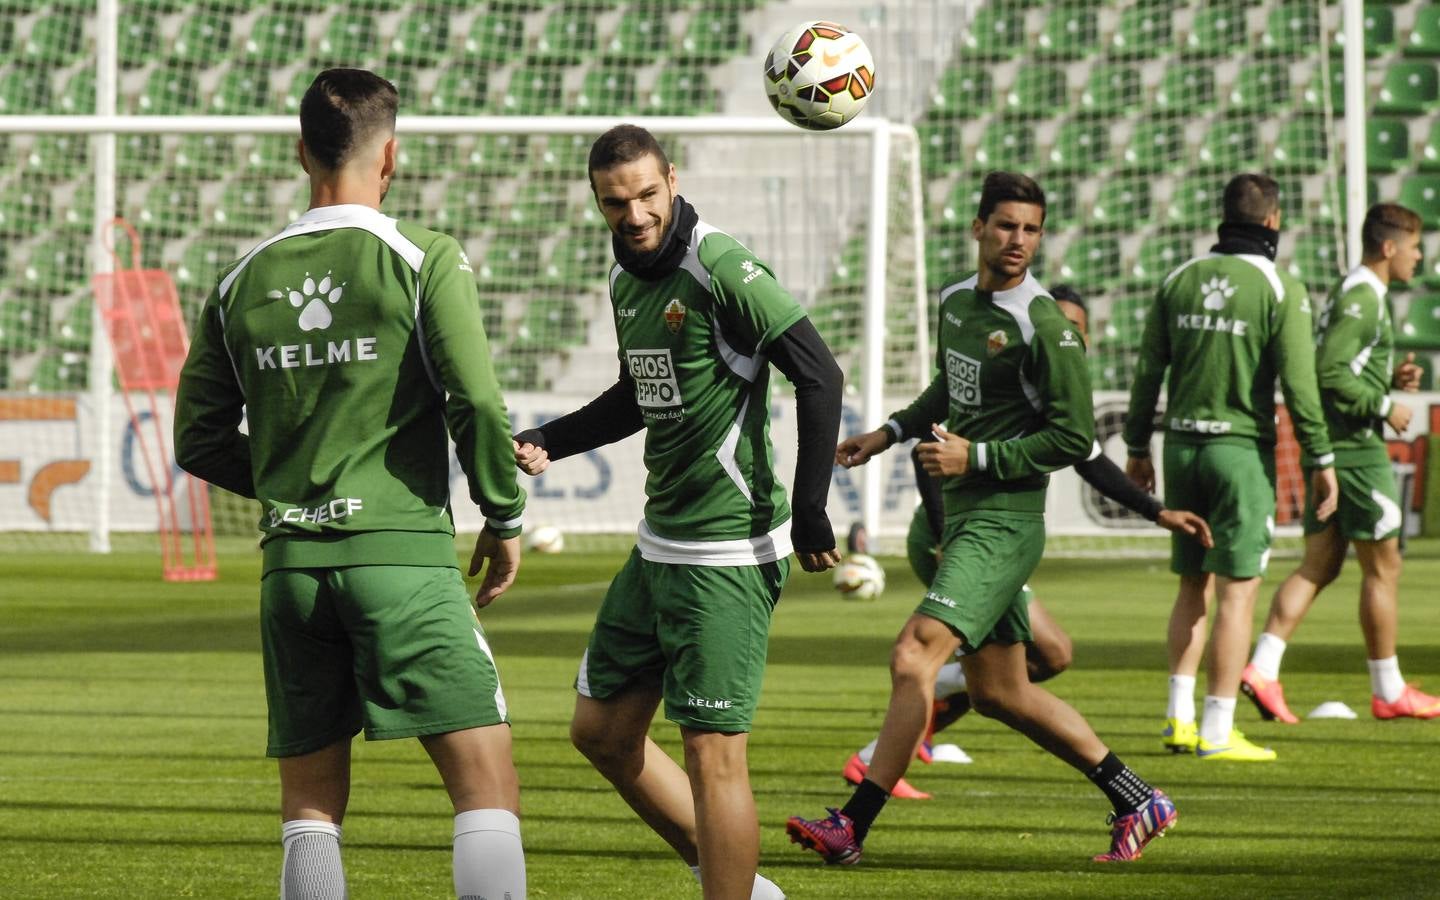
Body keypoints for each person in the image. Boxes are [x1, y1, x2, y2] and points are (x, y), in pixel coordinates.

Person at [173, 69, 528, 899]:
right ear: (391, 155)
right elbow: (473, 396)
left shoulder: (238, 280)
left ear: (301, 152)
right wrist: (502, 513)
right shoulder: (421, 257)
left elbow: (197, 439)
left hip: (291, 571)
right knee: (485, 785)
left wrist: (292, 486)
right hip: (402, 562)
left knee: (309, 804)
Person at [787, 172, 1176, 866]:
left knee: (913, 656)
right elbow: (950, 384)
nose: (1018, 241)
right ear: (977, 228)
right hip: (968, 517)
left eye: (1030, 229)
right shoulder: (956, 302)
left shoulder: (1046, 326)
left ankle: (852, 824)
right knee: (1000, 692)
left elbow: (1071, 438)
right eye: (1005, 226)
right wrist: (890, 432)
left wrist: (979, 456)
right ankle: (1137, 798)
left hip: (1003, 521)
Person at [511, 124, 843, 900]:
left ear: (672, 178)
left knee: (713, 755)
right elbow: (640, 392)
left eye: (647, 195)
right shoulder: (628, 277)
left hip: (726, 552)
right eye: (615, 203)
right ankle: (744, 887)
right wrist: (550, 440)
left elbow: (819, 373)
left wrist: (812, 508)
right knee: (602, 733)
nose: (633, 215)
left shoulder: (720, 266)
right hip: (660, 544)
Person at [841, 286, 1214, 799]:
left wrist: (1158, 511)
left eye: (1078, 327)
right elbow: (931, 443)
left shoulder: (1050, 383)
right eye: (1063, 324)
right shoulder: (1003, 367)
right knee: (920, 657)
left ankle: (1135, 797)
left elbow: (1084, 454)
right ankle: (870, 774)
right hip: (956, 538)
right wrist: (947, 529)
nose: (1071, 336)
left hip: (996, 538)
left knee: (1024, 674)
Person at [1124, 173, 1339, 763]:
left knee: (1192, 584)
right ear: (1273, 221)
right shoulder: (1279, 285)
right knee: (1238, 593)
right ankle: (1219, 729)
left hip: (1182, 449)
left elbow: (1148, 373)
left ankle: (1178, 717)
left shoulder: (1179, 279)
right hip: (1240, 452)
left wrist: (1137, 448)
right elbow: (1298, 385)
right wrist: (1322, 460)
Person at [1242, 203, 1437, 722]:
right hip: (1354, 451)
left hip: (1332, 447)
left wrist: (1389, 379)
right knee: (1385, 564)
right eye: (1415, 247)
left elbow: (1343, 366)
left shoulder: (1358, 292)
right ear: (1390, 247)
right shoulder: (1364, 297)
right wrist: (1382, 404)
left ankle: (1262, 667)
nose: (1420, 257)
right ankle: (1388, 688)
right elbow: (1329, 372)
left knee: (1321, 564)